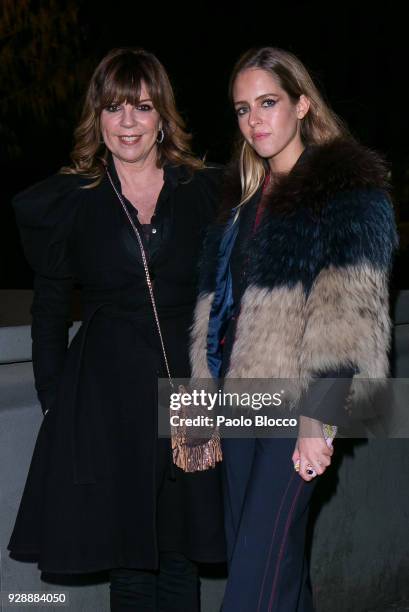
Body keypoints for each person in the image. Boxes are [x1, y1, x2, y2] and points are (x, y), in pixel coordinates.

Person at [8, 47, 225, 612]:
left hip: (190, 392)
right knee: (130, 562)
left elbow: (231, 293)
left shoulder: (203, 191)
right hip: (106, 401)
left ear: (162, 118)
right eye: (114, 108)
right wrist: (56, 400)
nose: (127, 122)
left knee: (181, 555)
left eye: (142, 107)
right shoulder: (72, 201)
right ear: (97, 118)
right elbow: (49, 310)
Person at [189, 47, 397, 611]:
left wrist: (318, 421)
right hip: (238, 407)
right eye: (241, 109)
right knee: (269, 568)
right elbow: (217, 315)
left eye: (268, 102)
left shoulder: (346, 193)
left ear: (302, 105)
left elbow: (349, 320)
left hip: (295, 408)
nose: (254, 120)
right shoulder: (240, 204)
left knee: (256, 581)